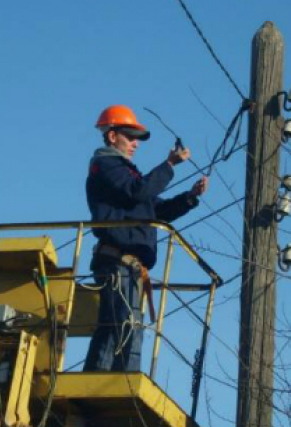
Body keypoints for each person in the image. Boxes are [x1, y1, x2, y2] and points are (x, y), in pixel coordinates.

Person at [83, 105, 209, 373]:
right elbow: (139, 192)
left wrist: (190, 197)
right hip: (116, 261)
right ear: (112, 135)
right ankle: (113, 388)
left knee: (123, 326)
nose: (135, 144)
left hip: (128, 266)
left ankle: (111, 384)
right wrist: (169, 165)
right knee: (123, 324)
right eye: (131, 137)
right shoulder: (105, 166)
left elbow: (155, 209)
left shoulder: (126, 174)